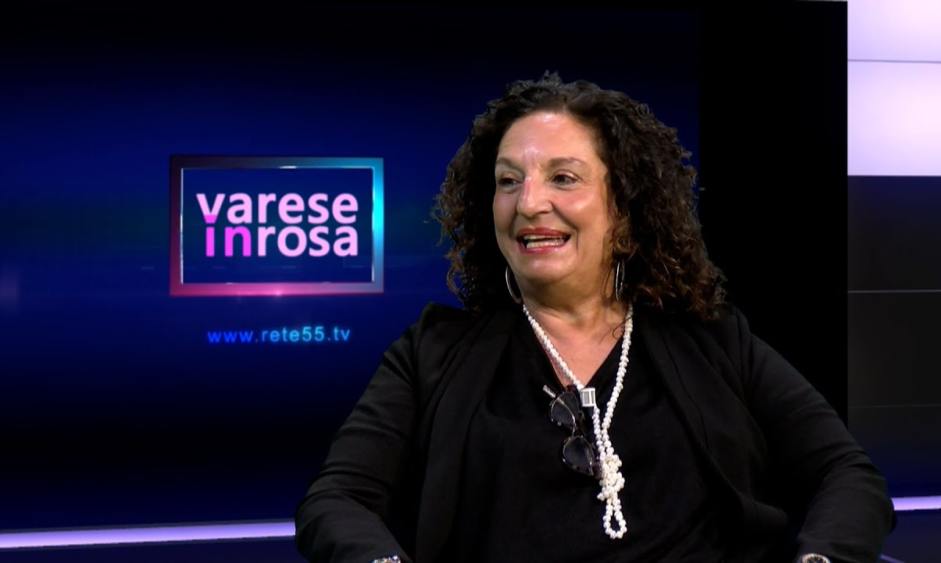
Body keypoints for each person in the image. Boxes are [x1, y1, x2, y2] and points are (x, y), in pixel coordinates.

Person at [295, 73, 895, 563]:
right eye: (508, 181)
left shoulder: (715, 340)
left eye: (563, 178)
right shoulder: (429, 353)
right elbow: (336, 500)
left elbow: (845, 473)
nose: (529, 202)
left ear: (625, 209)